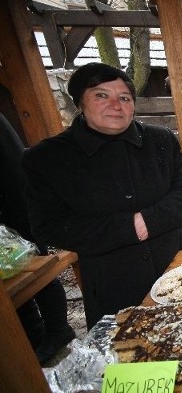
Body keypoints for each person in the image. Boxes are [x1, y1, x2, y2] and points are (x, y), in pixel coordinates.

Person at [22, 63, 182, 329]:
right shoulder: (47, 158)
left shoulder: (160, 139)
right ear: (80, 102)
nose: (116, 105)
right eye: (101, 95)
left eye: (124, 97)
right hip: (113, 283)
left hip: (178, 269)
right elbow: (50, 225)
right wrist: (128, 228)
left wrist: (148, 221)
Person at [0, 113, 75, 365]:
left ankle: (57, 331)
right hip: (10, 210)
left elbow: (13, 169)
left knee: (39, 270)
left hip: (16, 207)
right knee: (11, 280)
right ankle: (32, 335)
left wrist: (27, 215)